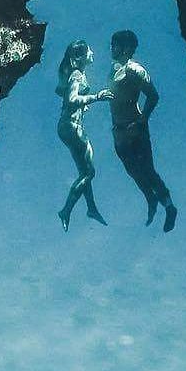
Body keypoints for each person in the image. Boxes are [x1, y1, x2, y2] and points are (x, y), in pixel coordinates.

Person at [107, 29, 177, 232]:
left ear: (126, 48)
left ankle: (169, 206)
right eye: (112, 44)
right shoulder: (113, 69)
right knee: (132, 171)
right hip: (119, 132)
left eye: (115, 45)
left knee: (146, 169)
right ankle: (151, 200)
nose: (111, 48)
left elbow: (153, 96)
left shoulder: (135, 70)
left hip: (134, 129)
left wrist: (141, 120)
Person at [55, 40, 113, 231]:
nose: (92, 52)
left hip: (68, 126)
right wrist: (96, 97)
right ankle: (66, 210)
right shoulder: (77, 74)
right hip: (72, 127)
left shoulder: (76, 74)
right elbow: (71, 100)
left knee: (84, 171)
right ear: (80, 56)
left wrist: (82, 103)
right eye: (89, 50)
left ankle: (91, 208)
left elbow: (62, 94)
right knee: (90, 172)